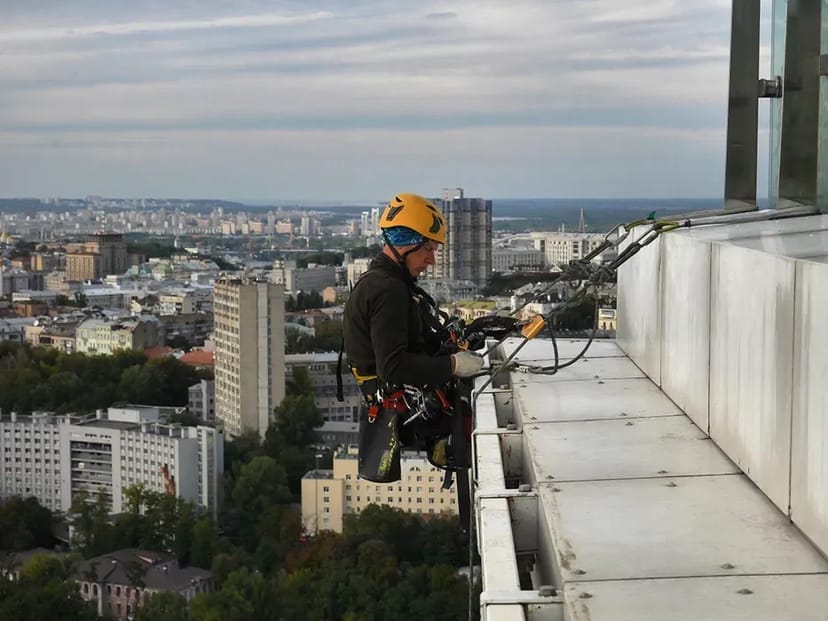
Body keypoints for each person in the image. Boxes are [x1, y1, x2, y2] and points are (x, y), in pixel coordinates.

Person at [342, 193, 484, 482]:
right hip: (405, 403)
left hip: (398, 402)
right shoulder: (388, 290)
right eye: (427, 250)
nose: (431, 260)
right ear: (406, 244)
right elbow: (393, 367)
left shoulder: (385, 282)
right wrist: (453, 365)